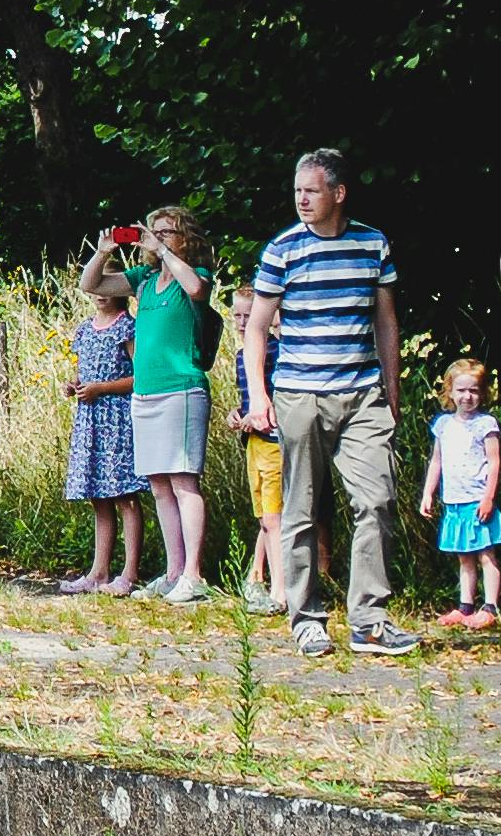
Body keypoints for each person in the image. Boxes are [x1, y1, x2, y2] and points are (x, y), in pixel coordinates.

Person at [245, 148, 415, 658]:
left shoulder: (372, 243)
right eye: (297, 190)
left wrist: (393, 389)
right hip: (301, 395)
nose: (301, 199)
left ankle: (369, 621)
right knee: (299, 508)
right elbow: (256, 328)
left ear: (338, 194)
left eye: (311, 190)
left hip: (363, 394)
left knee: (376, 500)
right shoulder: (283, 250)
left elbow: (386, 322)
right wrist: (258, 393)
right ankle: (306, 617)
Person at [80, 205, 216, 603]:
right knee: (159, 484)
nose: (157, 238)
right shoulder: (143, 280)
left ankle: (193, 573)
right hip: (147, 392)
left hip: (182, 388)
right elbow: (94, 285)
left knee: (183, 480)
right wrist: (104, 250)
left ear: (185, 237)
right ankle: (174, 571)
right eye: (152, 232)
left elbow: (197, 290)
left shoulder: (194, 275)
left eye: (167, 232)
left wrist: (167, 252)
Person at [230, 285, 333, 612]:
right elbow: (249, 398)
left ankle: (281, 592)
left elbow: (280, 399)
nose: (243, 322)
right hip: (254, 444)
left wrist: (257, 416)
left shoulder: (277, 352)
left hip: (276, 443)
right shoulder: (240, 357)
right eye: (238, 315)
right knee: (265, 517)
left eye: (250, 315)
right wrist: (239, 415)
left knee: (276, 518)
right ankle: (271, 585)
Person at [58, 270, 145, 594]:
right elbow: (84, 372)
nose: (101, 293)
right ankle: (99, 571)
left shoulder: (128, 326)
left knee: (124, 495)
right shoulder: (84, 329)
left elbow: (141, 376)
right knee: (98, 496)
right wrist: (76, 386)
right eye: (98, 287)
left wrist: (103, 388)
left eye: (109, 287)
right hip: (91, 418)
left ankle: (130, 571)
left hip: (118, 418)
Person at [418, 359, 501, 632]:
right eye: (461, 390)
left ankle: (490, 606)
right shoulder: (443, 424)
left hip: (478, 500)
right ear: (450, 392)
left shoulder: (486, 424)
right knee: (463, 556)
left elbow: (494, 462)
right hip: (454, 500)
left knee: (485, 554)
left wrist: (488, 497)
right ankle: (465, 606)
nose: (467, 396)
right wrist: (428, 494)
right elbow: (437, 461)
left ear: (483, 393)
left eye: (474, 391)